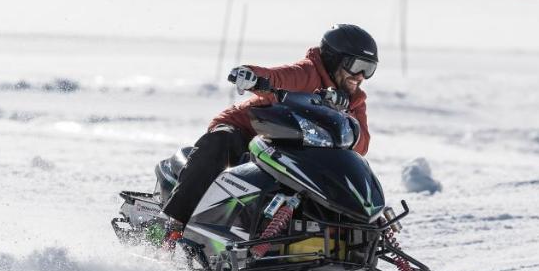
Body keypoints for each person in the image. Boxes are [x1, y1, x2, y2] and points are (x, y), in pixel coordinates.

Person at [160, 24, 377, 245]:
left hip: (290, 146)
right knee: (220, 143)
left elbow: (362, 145)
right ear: (333, 59)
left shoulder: (355, 99)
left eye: (368, 69)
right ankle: (174, 223)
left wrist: (343, 114)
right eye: (356, 66)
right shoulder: (306, 72)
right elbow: (276, 77)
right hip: (248, 130)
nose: (360, 76)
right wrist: (251, 75)